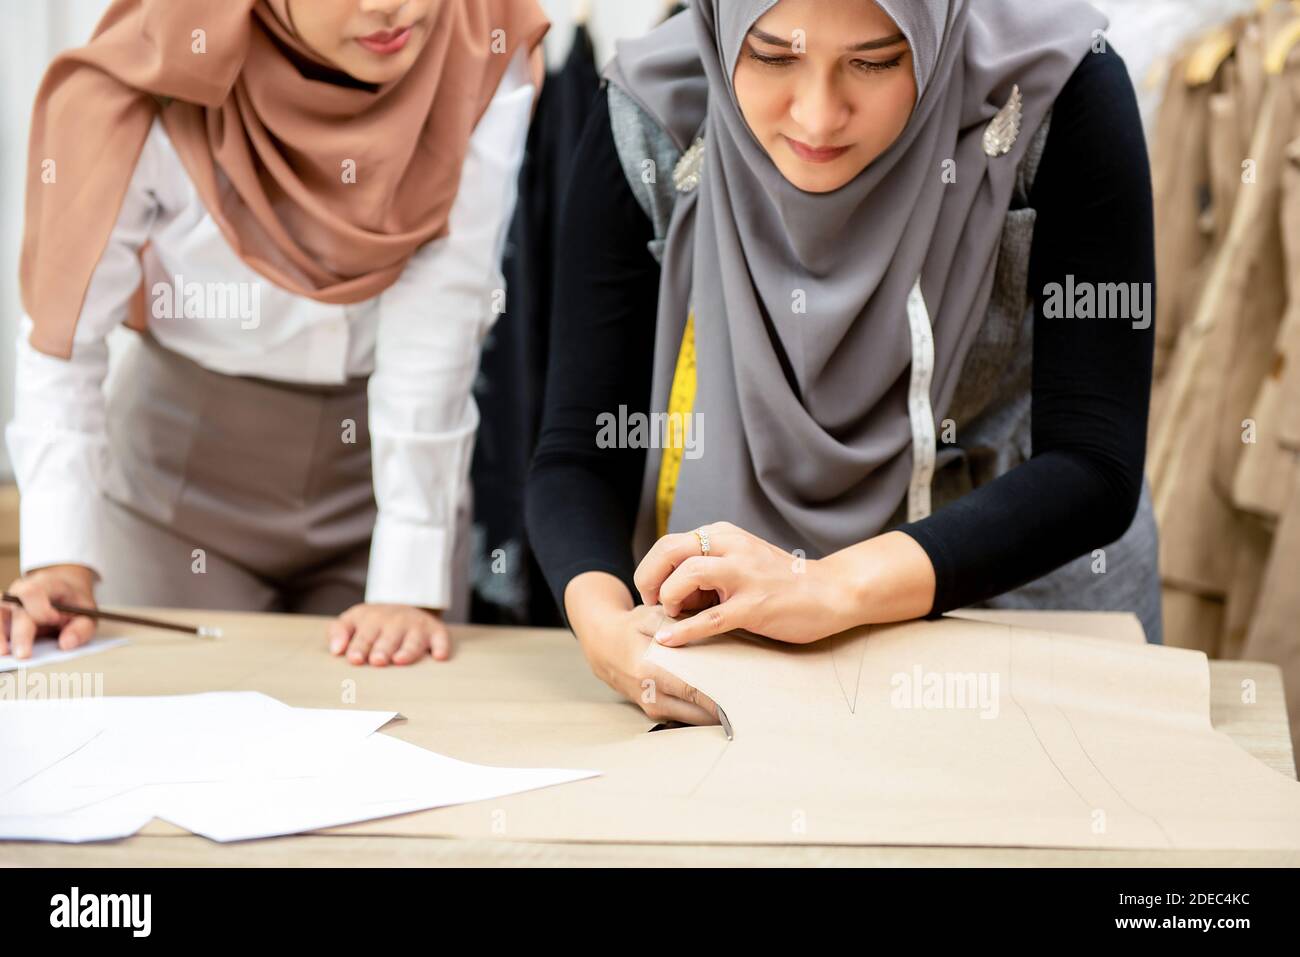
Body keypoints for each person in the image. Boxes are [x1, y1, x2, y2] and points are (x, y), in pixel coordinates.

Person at [528, 0, 1159, 725]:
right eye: (772, 56)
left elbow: (1093, 462)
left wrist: (830, 587)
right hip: (749, 644)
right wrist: (608, 628)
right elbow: (580, 450)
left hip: (1030, 614)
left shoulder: (1056, 87)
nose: (818, 116)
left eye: (875, 61)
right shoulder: (654, 119)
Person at [2, 0, 548, 666]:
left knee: (395, 738)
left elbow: (443, 311)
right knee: (168, 743)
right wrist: (59, 556)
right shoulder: (154, 64)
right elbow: (67, 337)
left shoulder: (479, 39)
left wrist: (409, 569)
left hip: (392, 477)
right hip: (175, 496)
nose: (390, 5)